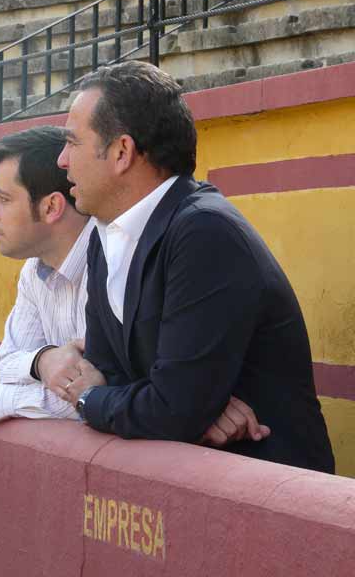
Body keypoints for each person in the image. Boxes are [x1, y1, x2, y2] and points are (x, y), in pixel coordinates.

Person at [56, 60, 335, 473]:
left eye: (72, 143)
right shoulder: (105, 234)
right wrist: (182, 412)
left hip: (264, 497)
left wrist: (95, 401)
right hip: (190, 486)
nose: (62, 160)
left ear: (121, 152)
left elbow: (165, 407)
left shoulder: (204, 231)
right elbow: (109, 372)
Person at [0, 125, 268, 448]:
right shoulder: (35, 272)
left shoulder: (118, 259)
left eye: (3, 199)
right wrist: (42, 361)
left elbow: (92, 399)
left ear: (51, 207)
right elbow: (2, 368)